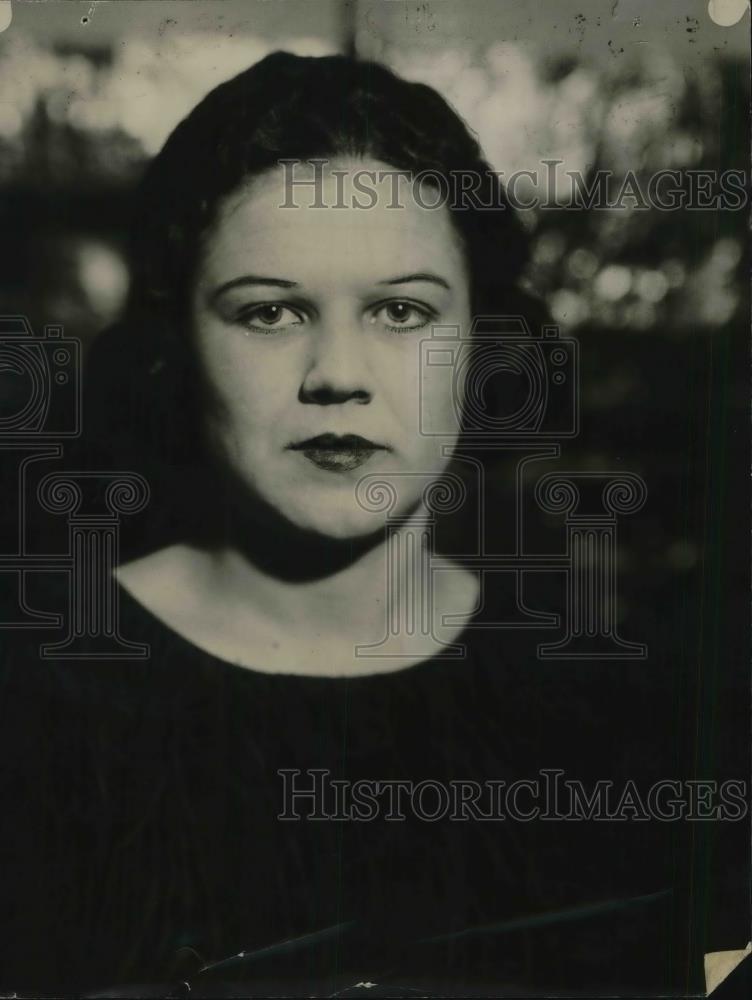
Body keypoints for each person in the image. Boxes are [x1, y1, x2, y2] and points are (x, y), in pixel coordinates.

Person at [0, 52, 708, 997]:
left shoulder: (625, 705)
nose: (339, 371)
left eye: (403, 310)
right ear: (176, 347)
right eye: (270, 312)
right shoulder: (31, 700)